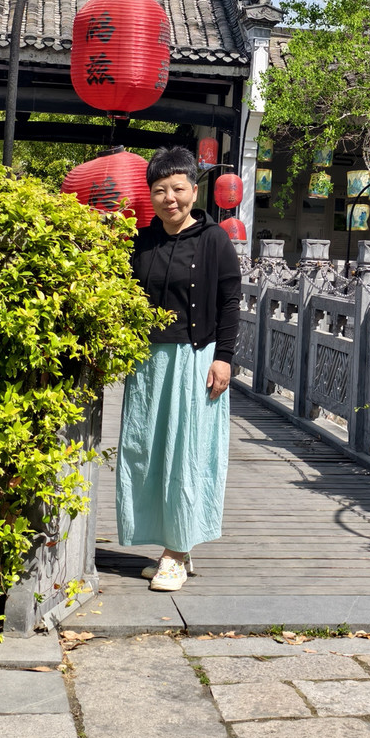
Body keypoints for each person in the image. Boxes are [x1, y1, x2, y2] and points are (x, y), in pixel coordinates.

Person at [116, 146, 241, 591]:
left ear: (194, 190)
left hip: (195, 359)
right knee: (146, 451)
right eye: (160, 190)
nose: (169, 198)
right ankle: (173, 546)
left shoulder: (214, 239)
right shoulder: (141, 240)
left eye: (178, 188)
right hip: (148, 362)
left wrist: (224, 357)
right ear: (150, 194)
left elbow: (230, 302)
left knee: (186, 453)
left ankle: (175, 552)